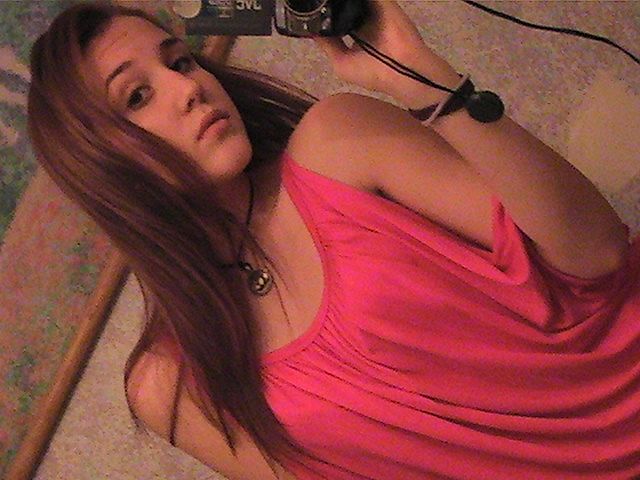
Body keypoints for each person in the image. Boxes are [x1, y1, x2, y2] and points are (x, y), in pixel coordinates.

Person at [27, 1, 640, 479]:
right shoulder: (170, 387)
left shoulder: (336, 145)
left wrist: (419, 76)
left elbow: (598, 252)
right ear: (99, 165)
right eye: (138, 96)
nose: (188, 87)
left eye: (180, 61)